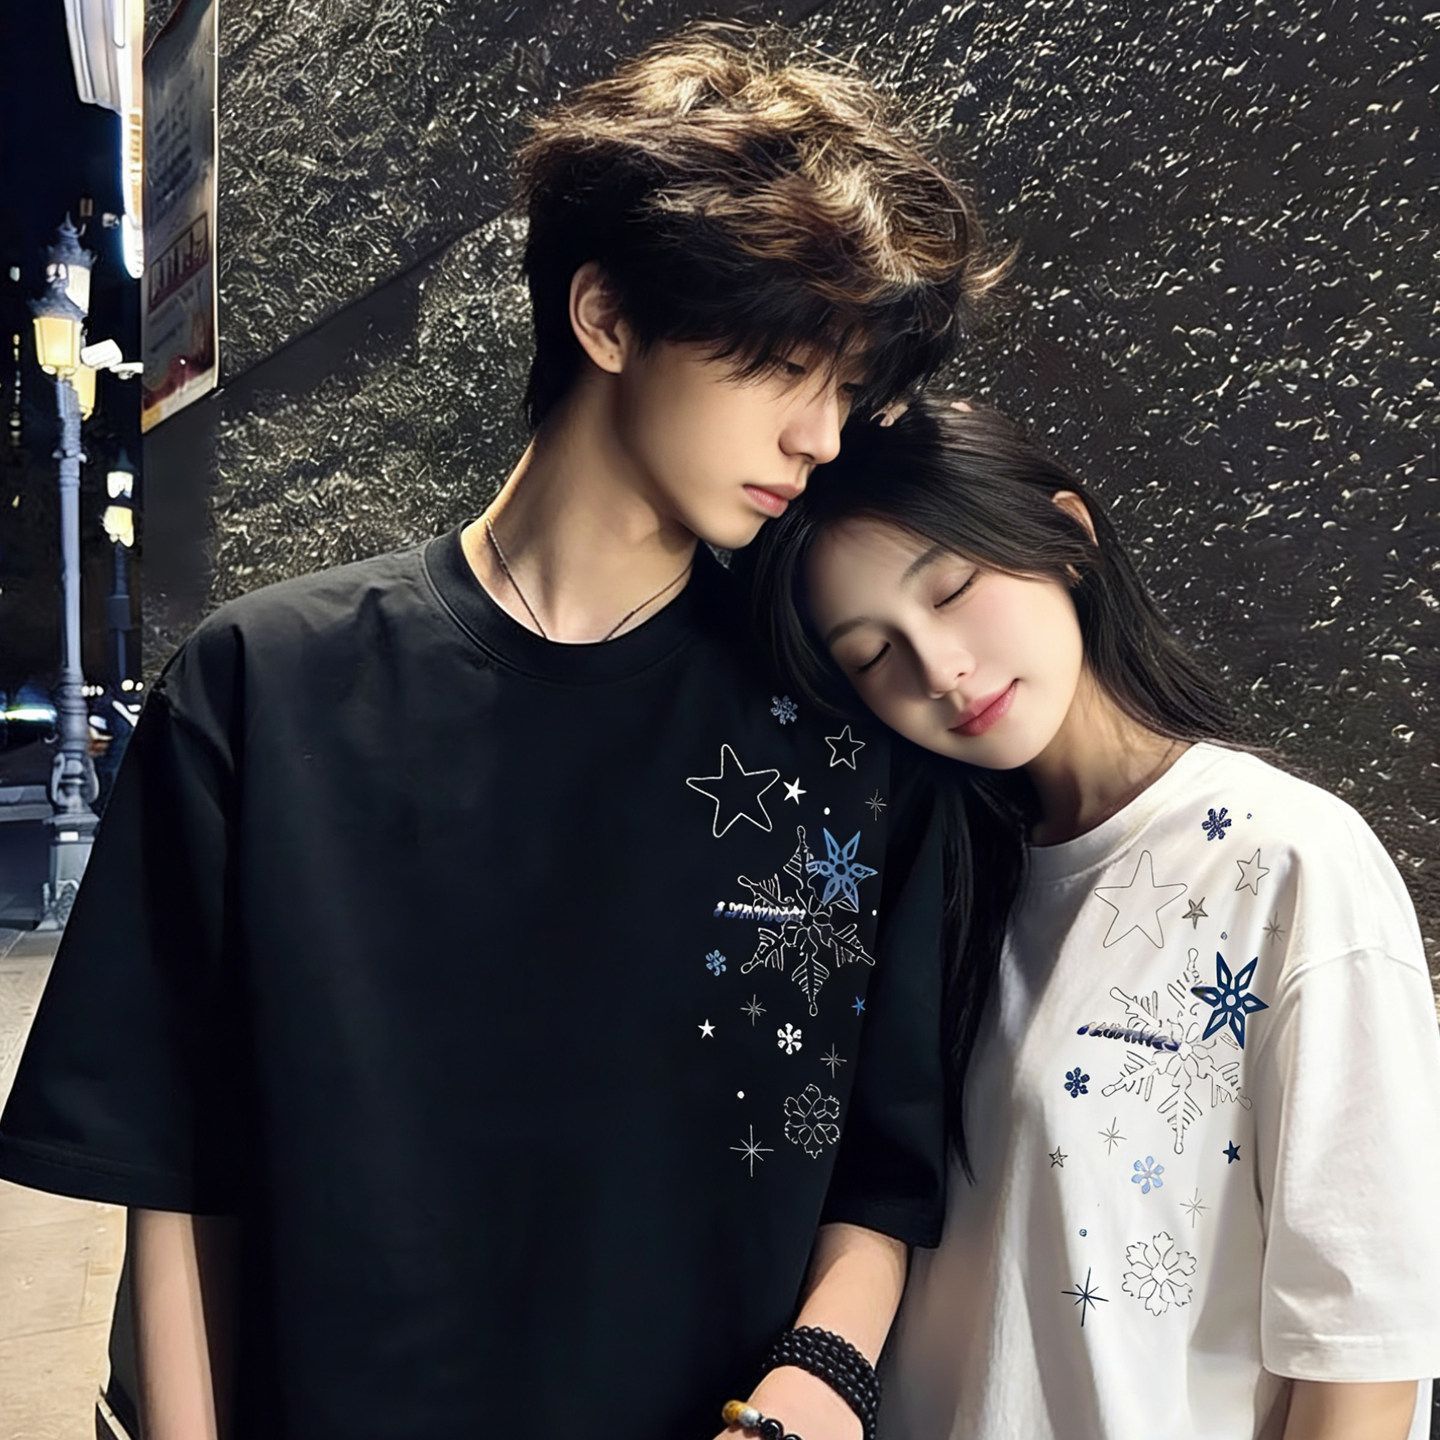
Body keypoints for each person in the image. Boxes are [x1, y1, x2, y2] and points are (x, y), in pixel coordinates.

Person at [0, 22, 1012, 1440]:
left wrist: (816, 1384)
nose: (822, 436)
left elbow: (884, 1175)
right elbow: (173, 1170)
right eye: (788, 366)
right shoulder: (264, 686)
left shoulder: (843, 741)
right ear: (608, 318)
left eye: (847, 388)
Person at [732, 392, 1440, 1440]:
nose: (940, 668)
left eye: (954, 588)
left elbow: (1363, 1366)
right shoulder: (934, 893)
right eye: (874, 654)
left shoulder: (1288, 865)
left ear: (1067, 536)